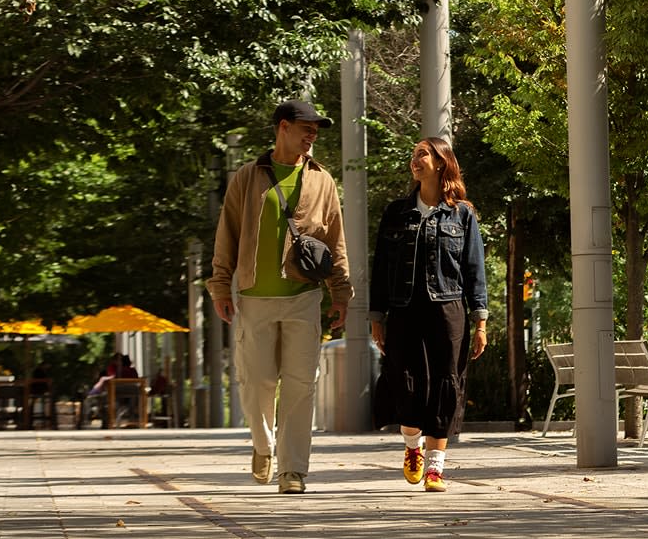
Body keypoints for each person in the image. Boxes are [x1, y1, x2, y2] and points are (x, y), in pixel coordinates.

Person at [208, 100, 352, 494]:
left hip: (304, 296)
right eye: (306, 128)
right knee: (256, 382)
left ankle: (292, 469)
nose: (312, 136)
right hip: (254, 296)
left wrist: (340, 293)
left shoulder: (323, 180)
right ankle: (262, 445)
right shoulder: (246, 177)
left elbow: (335, 240)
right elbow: (228, 235)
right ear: (283, 127)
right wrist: (221, 286)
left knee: (301, 383)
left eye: (316, 131)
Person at [369, 136, 488, 493]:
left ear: (441, 162)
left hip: (448, 309)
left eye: (422, 153)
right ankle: (411, 447)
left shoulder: (462, 214)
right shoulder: (396, 212)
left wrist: (480, 320)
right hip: (403, 309)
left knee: (445, 382)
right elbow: (381, 269)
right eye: (414, 153)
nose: (415, 159)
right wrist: (377, 317)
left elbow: (474, 268)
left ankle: (435, 468)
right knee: (404, 379)